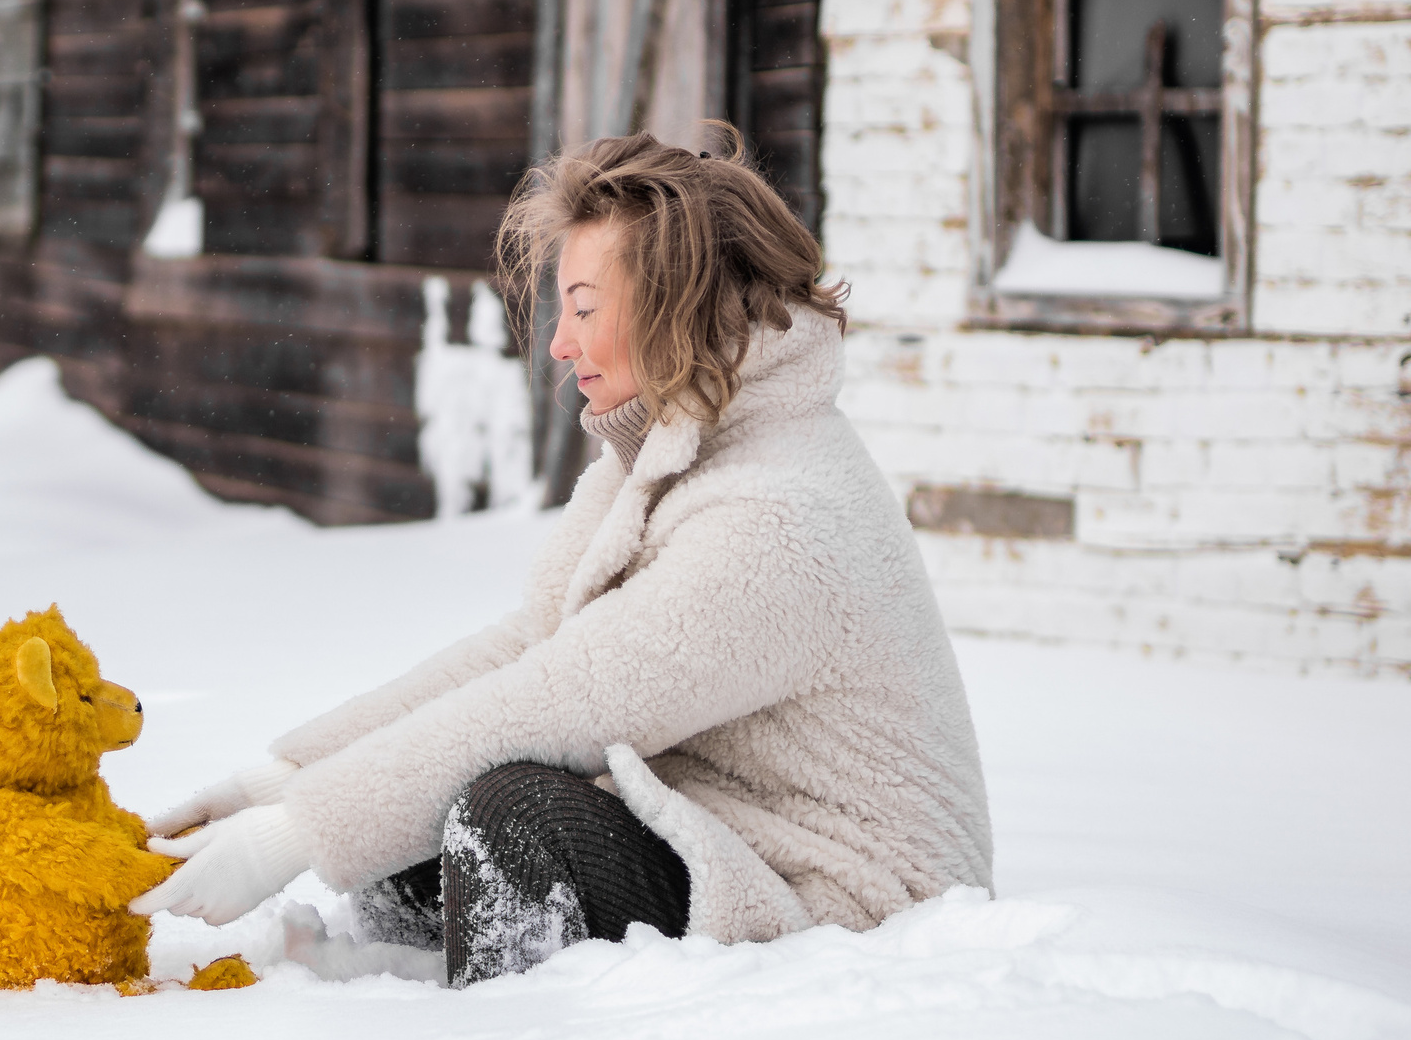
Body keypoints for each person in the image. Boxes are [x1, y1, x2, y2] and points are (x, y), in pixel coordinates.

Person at [131, 131, 994, 986]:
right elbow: (530, 648)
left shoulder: (777, 514)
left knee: (509, 814)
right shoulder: (671, 450)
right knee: (417, 814)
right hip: (722, 827)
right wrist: (278, 779)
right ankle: (380, 972)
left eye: (584, 308)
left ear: (677, 300)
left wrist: (292, 837)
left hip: (853, 902)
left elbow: (567, 698)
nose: (560, 344)